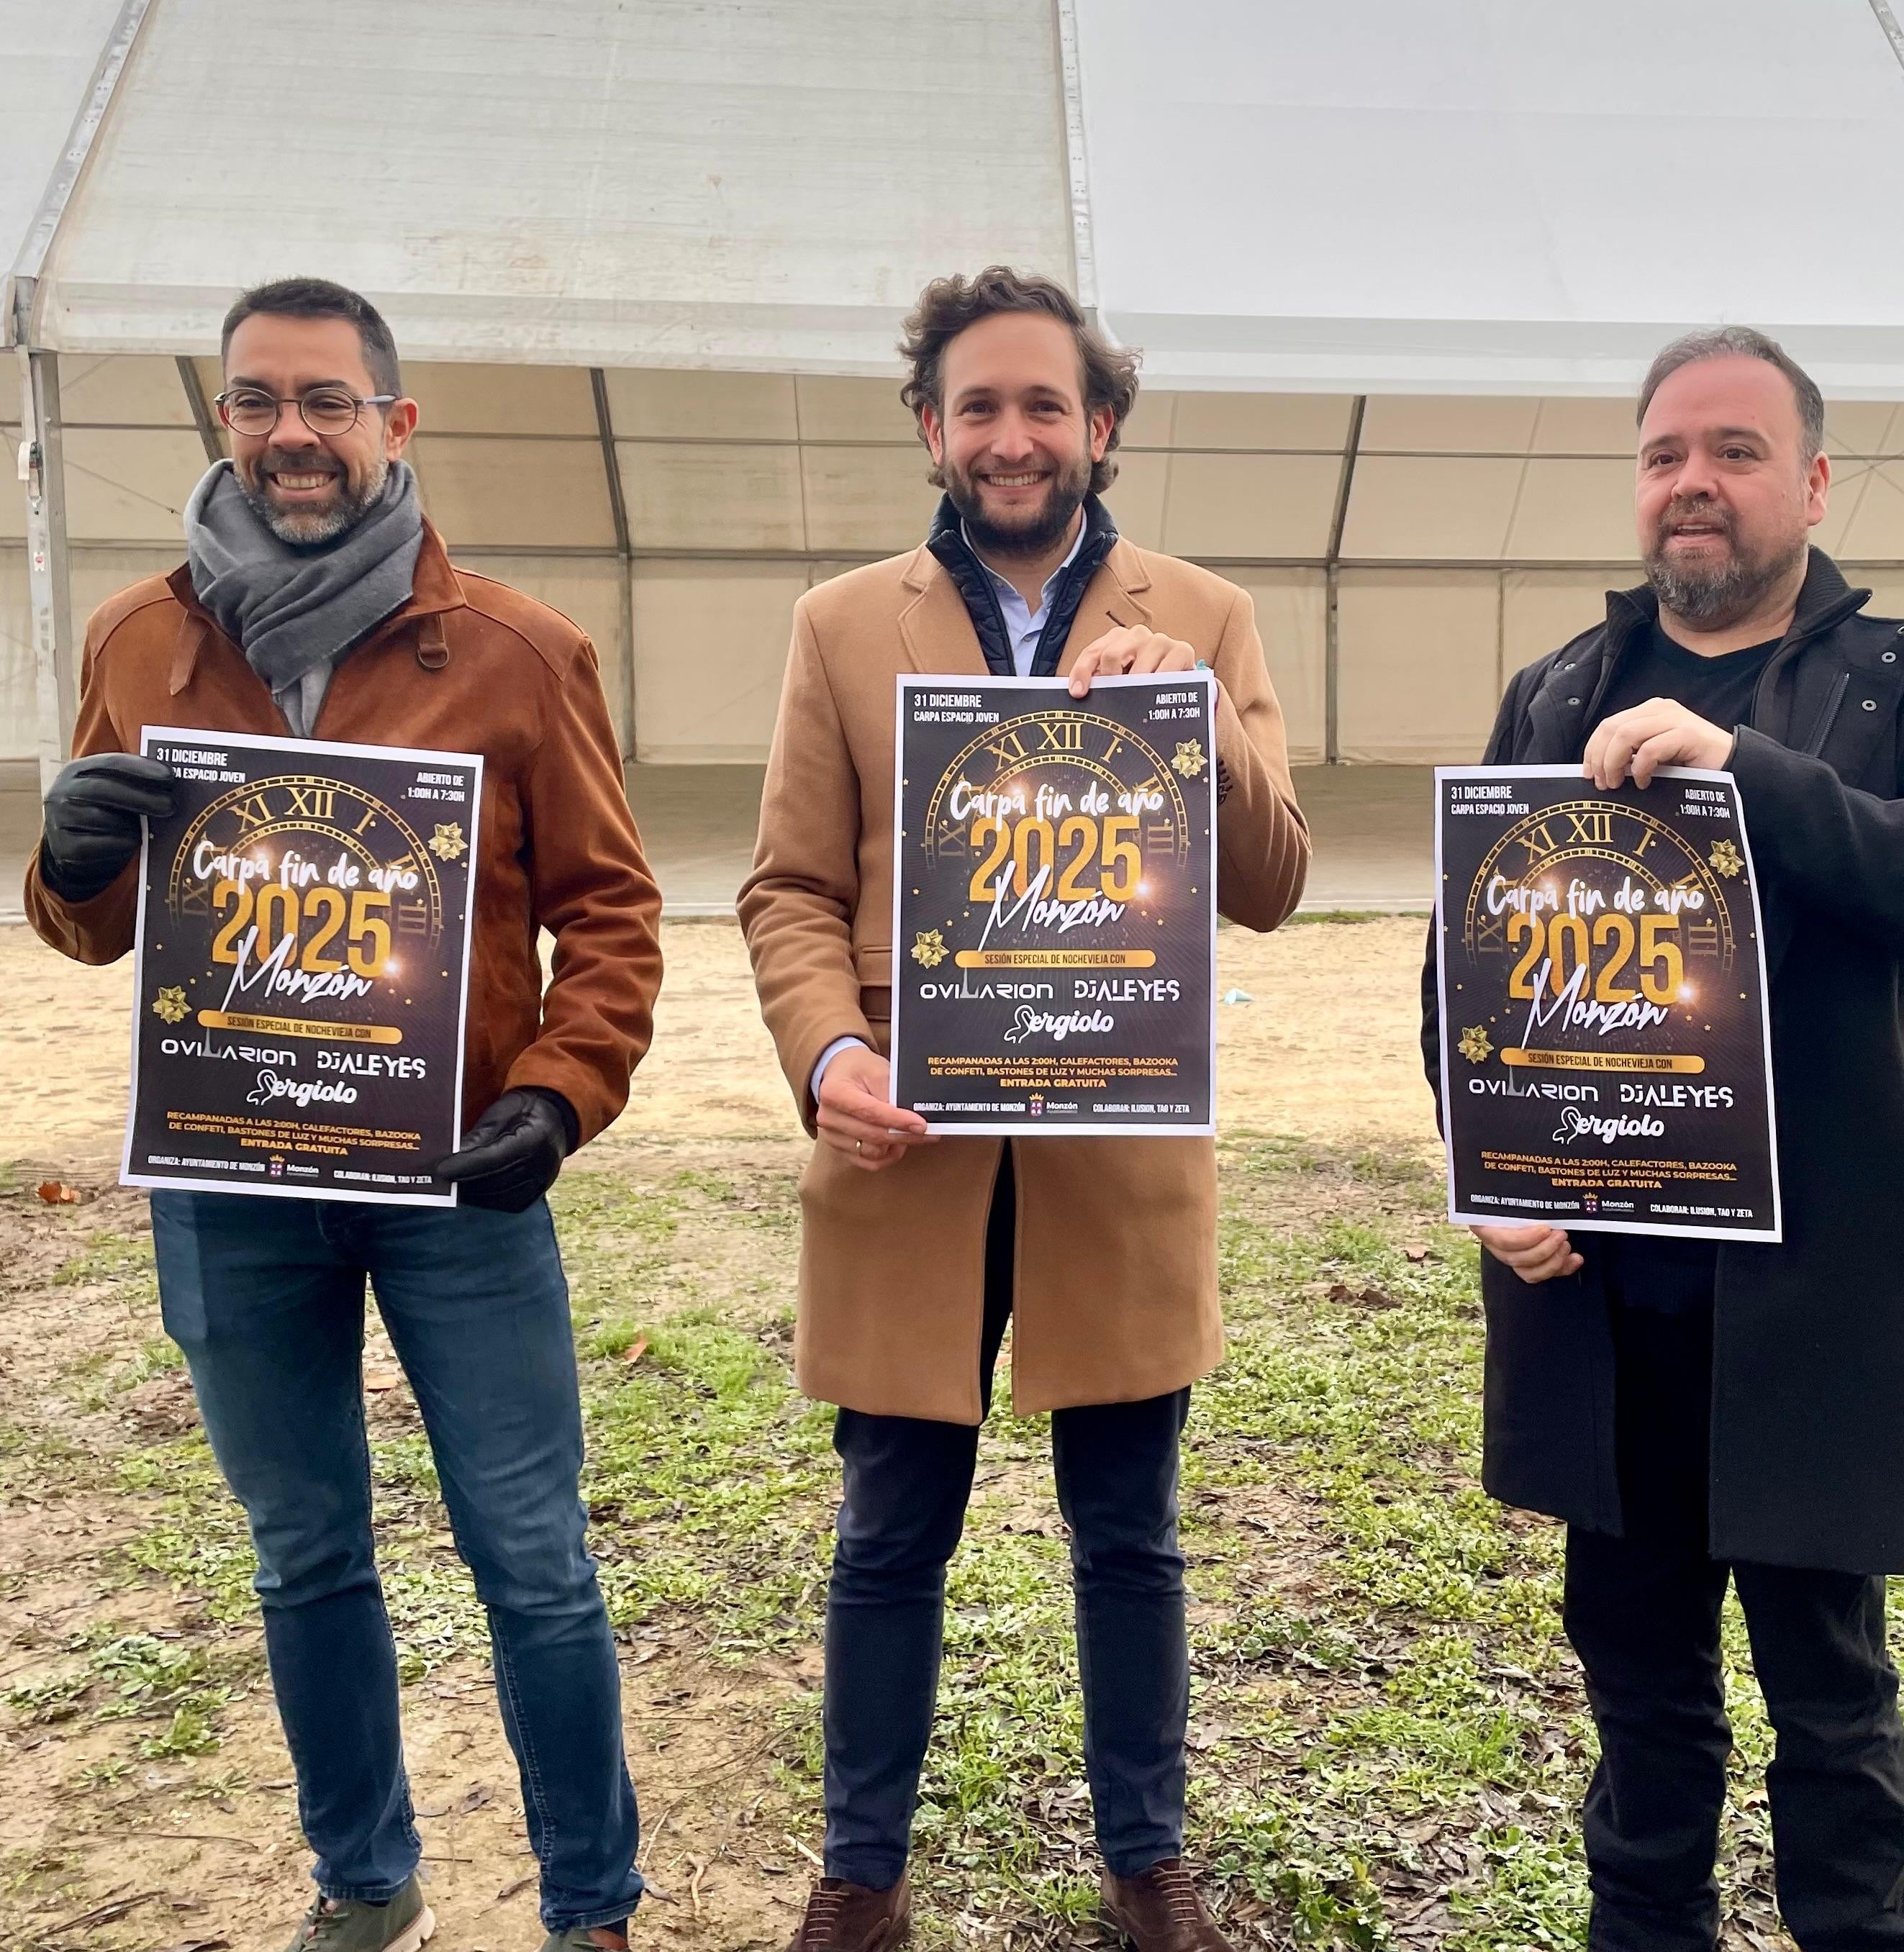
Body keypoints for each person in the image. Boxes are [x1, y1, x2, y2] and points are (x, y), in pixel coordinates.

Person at [25, 278, 662, 1952]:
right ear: (222, 421)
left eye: (324, 401)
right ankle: (363, 1885)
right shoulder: (137, 642)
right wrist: (73, 861)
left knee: (533, 1560)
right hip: (229, 1177)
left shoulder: (522, 655)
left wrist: (559, 1094)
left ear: (395, 422)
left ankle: (590, 1906)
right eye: (256, 402)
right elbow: (93, 930)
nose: (289, 434)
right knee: (305, 1552)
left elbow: (611, 914)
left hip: (462, 1187)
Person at [1421, 327, 1904, 1951]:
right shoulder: (1557, 688)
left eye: (1736, 451)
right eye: (1664, 455)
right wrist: (1493, 1176)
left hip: (1811, 1303)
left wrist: (1745, 772)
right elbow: (1463, 970)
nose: (1692, 482)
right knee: (1637, 1709)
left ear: (1815, 482)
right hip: (1604, 1304)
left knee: (1830, 1715)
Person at [738, 267, 1310, 1952]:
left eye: (1043, 404)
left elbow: (1272, 885)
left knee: (1127, 1532)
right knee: (887, 1532)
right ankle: (861, 1875)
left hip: (1117, 1152)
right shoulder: (842, 626)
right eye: (977, 406)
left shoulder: (1203, 616)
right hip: (905, 1152)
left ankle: (1149, 1863)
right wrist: (829, 1054)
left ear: (1101, 426)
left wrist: (1201, 729)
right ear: (930, 428)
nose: (1011, 436)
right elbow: (784, 889)